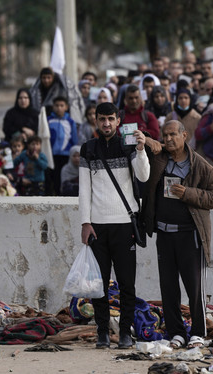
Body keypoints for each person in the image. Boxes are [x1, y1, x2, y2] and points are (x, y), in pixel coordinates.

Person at [141, 120, 213, 350]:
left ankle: (197, 332)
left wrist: (189, 193)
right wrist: (148, 139)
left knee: (194, 289)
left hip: (191, 236)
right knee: (168, 288)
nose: (168, 139)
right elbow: (136, 141)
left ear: (184, 135)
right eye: (164, 135)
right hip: (164, 235)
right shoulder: (159, 158)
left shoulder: (202, 166)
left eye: (172, 135)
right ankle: (176, 333)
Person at [79, 102, 150, 350]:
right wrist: (85, 222)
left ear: (119, 121)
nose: (106, 124)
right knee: (100, 285)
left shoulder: (128, 144)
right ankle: (102, 333)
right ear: (95, 121)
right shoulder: (88, 148)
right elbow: (84, 189)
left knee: (127, 284)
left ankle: (125, 333)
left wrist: (141, 150)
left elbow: (143, 176)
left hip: (124, 225)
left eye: (111, 119)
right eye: (102, 119)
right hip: (98, 226)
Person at [48, 96, 78, 195]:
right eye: (57, 105)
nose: (59, 108)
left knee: (64, 176)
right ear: (53, 107)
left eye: (62, 105)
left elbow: (74, 139)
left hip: (66, 155)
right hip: (53, 155)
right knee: (55, 176)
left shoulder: (70, 121)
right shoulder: (48, 120)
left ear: (66, 107)